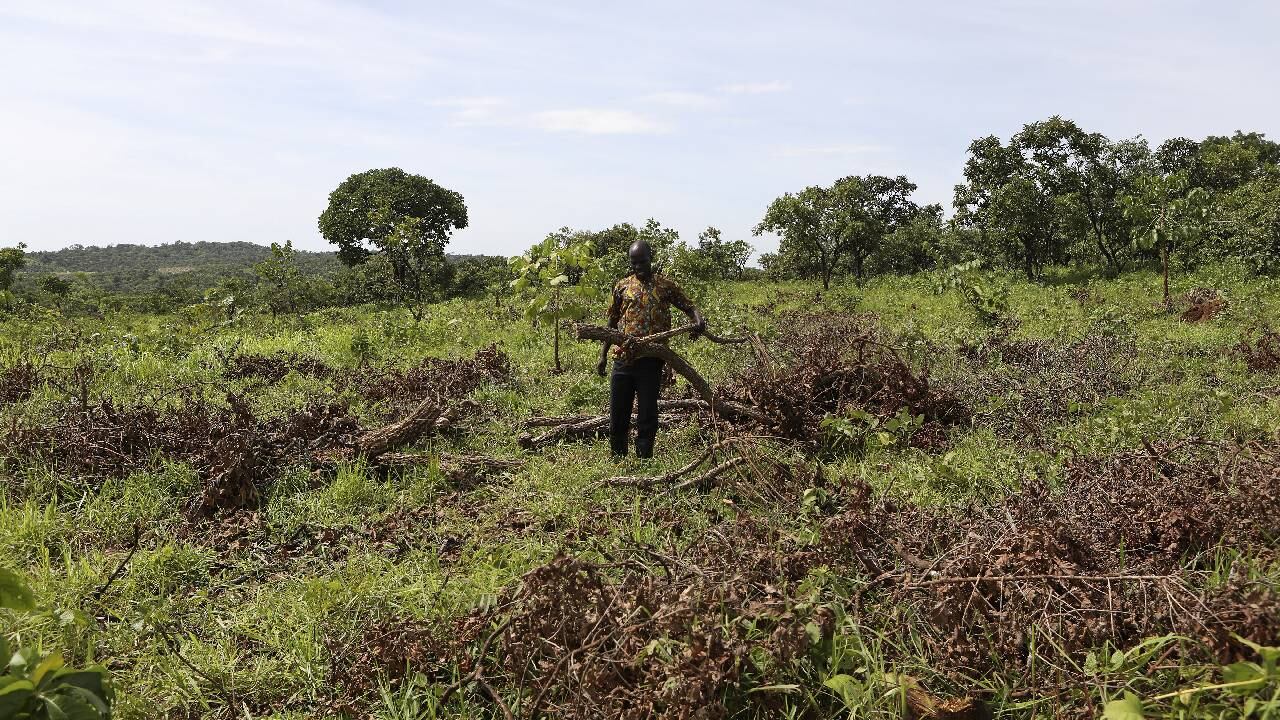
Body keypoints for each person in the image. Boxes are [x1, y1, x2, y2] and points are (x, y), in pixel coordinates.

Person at [596, 240, 706, 458]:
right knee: (618, 412)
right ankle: (618, 457)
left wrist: (698, 321)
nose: (638, 267)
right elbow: (612, 322)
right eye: (634, 263)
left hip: (652, 360)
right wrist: (603, 355)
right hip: (624, 358)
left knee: (647, 412)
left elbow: (689, 306)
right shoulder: (622, 286)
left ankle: (644, 458)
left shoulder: (665, 286)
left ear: (651, 259)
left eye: (643, 262)